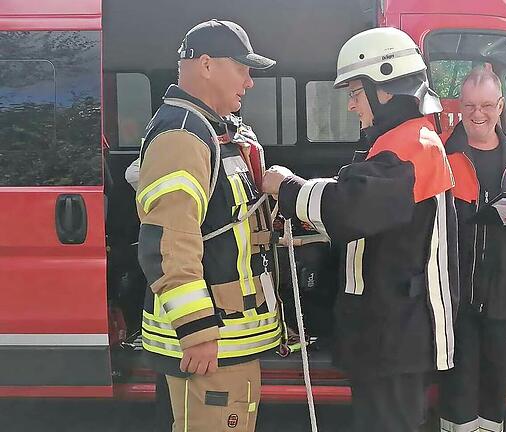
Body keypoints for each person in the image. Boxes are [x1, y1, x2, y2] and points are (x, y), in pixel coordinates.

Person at [261, 27, 459, 432]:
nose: (352, 106)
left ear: (383, 90)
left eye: (355, 92)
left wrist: (285, 187)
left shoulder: (411, 148)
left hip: (397, 336)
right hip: (390, 333)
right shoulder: (403, 143)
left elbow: (349, 208)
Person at [135, 19, 281, 432]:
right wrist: (197, 330)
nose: (250, 82)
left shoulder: (213, 129)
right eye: (243, 68)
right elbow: (168, 242)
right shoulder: (183, 134)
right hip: (208, 343)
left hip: (226, 339)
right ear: (206, 65)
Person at [438, 67, 506, 432]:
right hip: (454, 293)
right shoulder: (438, 151)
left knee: (496, 382)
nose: (477, 114)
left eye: (487, 105)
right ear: (460, 105)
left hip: (504, 290)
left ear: (501, 106)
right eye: (469, 105)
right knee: (458, 384)